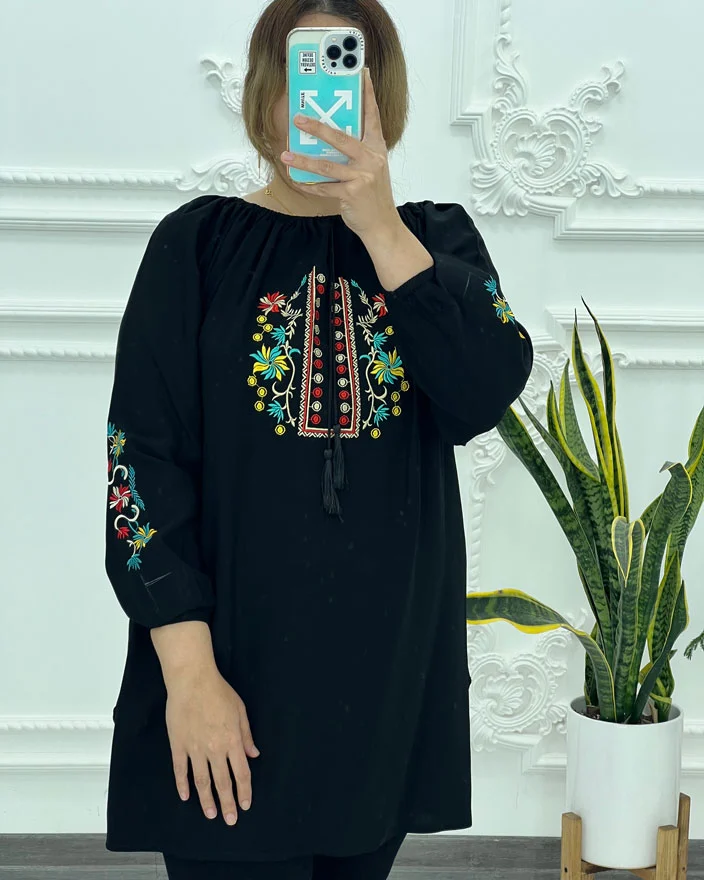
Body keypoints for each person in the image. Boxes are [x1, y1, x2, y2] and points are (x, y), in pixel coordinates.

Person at [103, 0, 534, 877]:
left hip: (385, 692)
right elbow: (142, 464)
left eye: (346, 76)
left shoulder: (434, 242)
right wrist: (189, 676)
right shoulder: (196, 245)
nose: (321, 103)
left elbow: (482, 395)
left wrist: (379, 226)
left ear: (382, 95)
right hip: (227, 678)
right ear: (267, 89)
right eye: (304, 75)